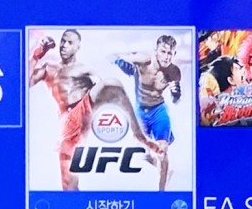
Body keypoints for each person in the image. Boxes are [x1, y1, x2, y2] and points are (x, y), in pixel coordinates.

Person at [28, 30, 166, 191]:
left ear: (77, 47)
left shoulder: (85, 70)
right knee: (69, 187)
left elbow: (104, 93)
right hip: (66, 125)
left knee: (112, 85)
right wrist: (37, 55)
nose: (64, 45)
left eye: (70, 43)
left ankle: (139, 137)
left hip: (83, 112)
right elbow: (24, 82)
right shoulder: (48, 68)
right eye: (63, 41)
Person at [114, 35, 183, 148]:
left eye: (169, 53)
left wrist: (176, 95)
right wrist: (120, 63)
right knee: (142, 149)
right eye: (163, 51)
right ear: (156, 51)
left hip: (159, 110)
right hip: (140, 111)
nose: (166, 57)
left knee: (162, 148)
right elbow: (112, 56)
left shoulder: (174, 72)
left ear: (174, 54)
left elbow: (176, 101)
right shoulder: (143, 60)